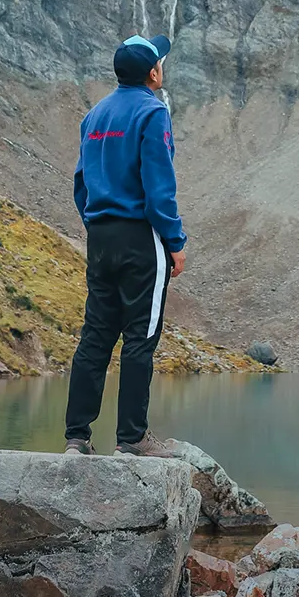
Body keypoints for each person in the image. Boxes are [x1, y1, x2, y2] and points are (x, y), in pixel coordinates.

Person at [64, 34, 187, 456]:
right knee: (140, 336)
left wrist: (97, 223)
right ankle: (132, 440)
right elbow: (159, 187)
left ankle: (76, 437)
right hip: (140, 237)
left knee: (96, 334)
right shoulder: (154, 113)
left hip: (100, 237)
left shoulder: (94, 114)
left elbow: (81, 183)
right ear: (154, 73)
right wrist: (174, 241)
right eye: (161, 63)